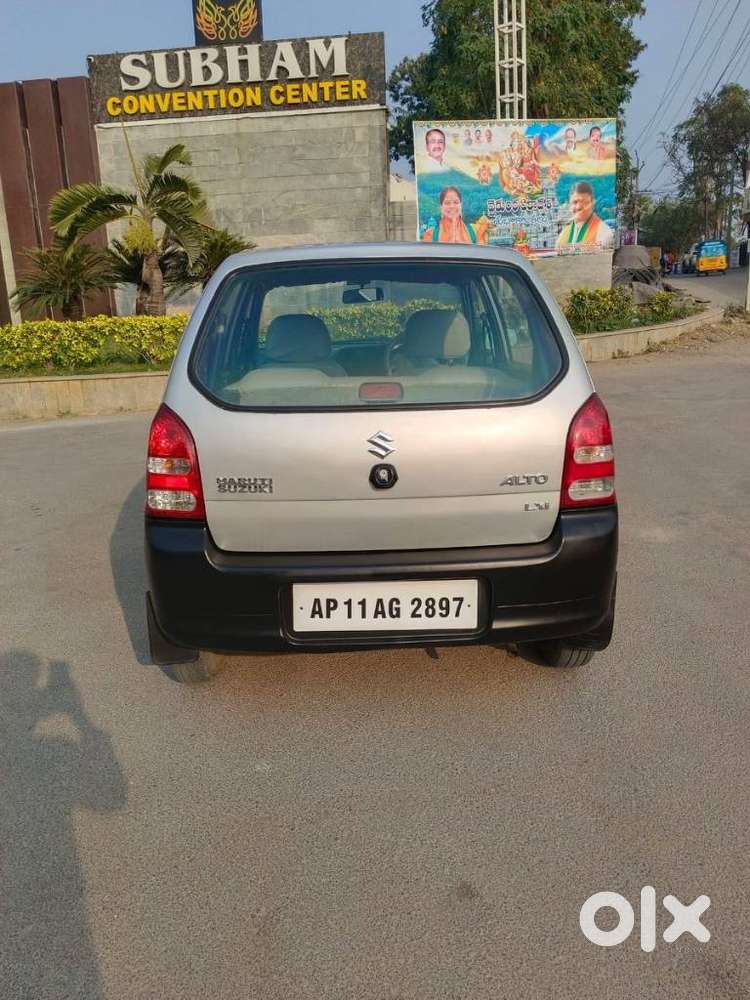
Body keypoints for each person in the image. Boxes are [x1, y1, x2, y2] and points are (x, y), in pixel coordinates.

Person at [556, 181, 614, 251]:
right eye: (575, 202)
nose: (578, 207)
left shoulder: (604, 232)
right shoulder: (564, 233)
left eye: (584, 202)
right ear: (569, 205)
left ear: (593, 203)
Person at [422, 187, 487, 244]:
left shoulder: (475, 231)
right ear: (441, 207)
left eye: (456, 202)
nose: (452, 206)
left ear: (461, 205)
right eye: (447, 203)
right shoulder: (431, 234)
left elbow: (481, 255)